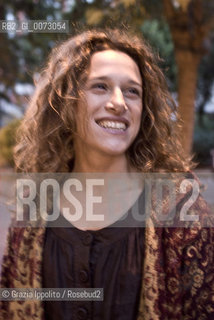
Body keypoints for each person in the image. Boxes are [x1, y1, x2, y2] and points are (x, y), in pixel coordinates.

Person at [0, 28, 214, 320]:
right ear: (66, 103)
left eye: (132, 91)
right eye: (100, 86)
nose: (119, 103)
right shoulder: (34, 208)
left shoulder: (181, 210)